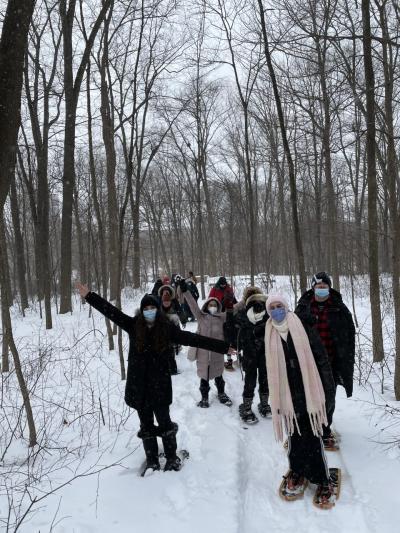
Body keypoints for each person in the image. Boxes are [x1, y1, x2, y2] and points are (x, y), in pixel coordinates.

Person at [76, 282, 235, 473]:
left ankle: (171, 457)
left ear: (158, 310)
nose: (149, 311)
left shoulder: (167, 329)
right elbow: (111, 312)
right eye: (146, 308)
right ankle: (151, 459)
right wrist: (89, 296)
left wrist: (223, 347)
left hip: (159, 386)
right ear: (141, 311)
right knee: (146, 425)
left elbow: (195, 339)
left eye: (153, 308)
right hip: (139, 387)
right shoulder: (133, 325)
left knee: (165, 422)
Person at [265, 293, 337, 504]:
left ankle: (322, 478)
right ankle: (296, 470)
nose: (277, 310)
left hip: (307, 391)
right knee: (294, 435)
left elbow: (320, 357)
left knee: (312, 436)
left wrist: (328, 389)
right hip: (287, 394)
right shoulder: (268, 332)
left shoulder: (302, 327)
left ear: (286, 307)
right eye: (273, 307)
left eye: (280, 306)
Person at [295, 272, 355, 450]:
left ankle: (325, 428)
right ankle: (308, 429)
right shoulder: (303, 308)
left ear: (329, 287)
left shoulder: (339, 308)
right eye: (318, 287)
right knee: (308, 396)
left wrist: (346, 360)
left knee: (328, 397)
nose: (321, 290)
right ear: (313, 288)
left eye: (324, 287)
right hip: (308, 362)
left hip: (332, 362)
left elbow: (349, 335)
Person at [179, 279, 233, 408]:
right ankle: (204, 397)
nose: (213, 307)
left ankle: (221, 393)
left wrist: (248, 299)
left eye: (215, 305)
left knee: (219, 376)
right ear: (206, 306)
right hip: (202, 355)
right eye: (210, 305)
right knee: (204, 378)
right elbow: (192, 304)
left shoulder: (222, 318)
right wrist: (185, 290)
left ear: (218, 307)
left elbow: (236, 308)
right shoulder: (200, 316)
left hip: (217, 354)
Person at [229, 288, 271, 424]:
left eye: (257, 297)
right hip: (249, 354)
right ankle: (246, 407)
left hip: (265, 354)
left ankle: (264, 404)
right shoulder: (242, 314)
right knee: (250, 381)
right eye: (252, 297)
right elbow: (234, 332)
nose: (255, 301)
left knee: (265, 380)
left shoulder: (268, 313)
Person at [158, 283, 187, 375]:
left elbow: (179, 310)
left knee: (171, 347)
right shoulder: (158, 301)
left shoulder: (174, 301)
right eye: (164, 292)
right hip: (161, 328)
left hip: (173, 324)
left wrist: (183, 320)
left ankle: (173, 369)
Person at [209, 277, 237, 370]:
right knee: (218, 338)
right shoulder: (214, 289)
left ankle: (230, 361)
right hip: (217, 314)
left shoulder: (229, 289)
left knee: (229, 338)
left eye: (224, 285)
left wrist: (232, 300)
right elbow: (210, 301)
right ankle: (216, 360)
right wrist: (221, 302)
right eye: (222, 285)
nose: (223, 287)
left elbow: (234, 301)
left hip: (229, 315)